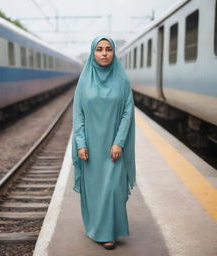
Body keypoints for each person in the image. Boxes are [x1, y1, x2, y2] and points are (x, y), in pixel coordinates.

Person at [72, 36, 136, 250]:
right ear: (93, 53)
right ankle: (95, 227)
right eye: (99, 49)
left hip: (113, 146)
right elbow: (78, 114)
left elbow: (128, 112)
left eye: (108, 49)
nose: (104, 53)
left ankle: (108, 232)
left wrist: (119, 142)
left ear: (113, 52)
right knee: (94, 190)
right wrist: (81, 143)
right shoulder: (84, 81)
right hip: (90, 147)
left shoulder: (122, 80)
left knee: (111, 189)